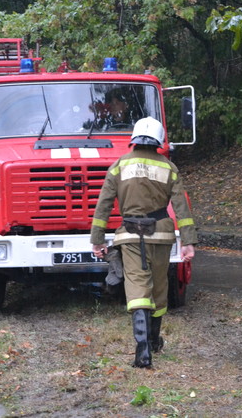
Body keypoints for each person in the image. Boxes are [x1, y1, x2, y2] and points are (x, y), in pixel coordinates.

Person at [90, 117, 197, 368]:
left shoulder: (119, 165)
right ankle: (153, 339)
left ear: (134, 139)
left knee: (137, 286)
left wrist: (97, 239)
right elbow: (181, 207)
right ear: (159, 140)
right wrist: (188, 241)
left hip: (129, 235)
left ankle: (143, 351)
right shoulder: (169, 167)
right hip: (160, 235)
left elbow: (104, 204)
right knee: (158, 288)